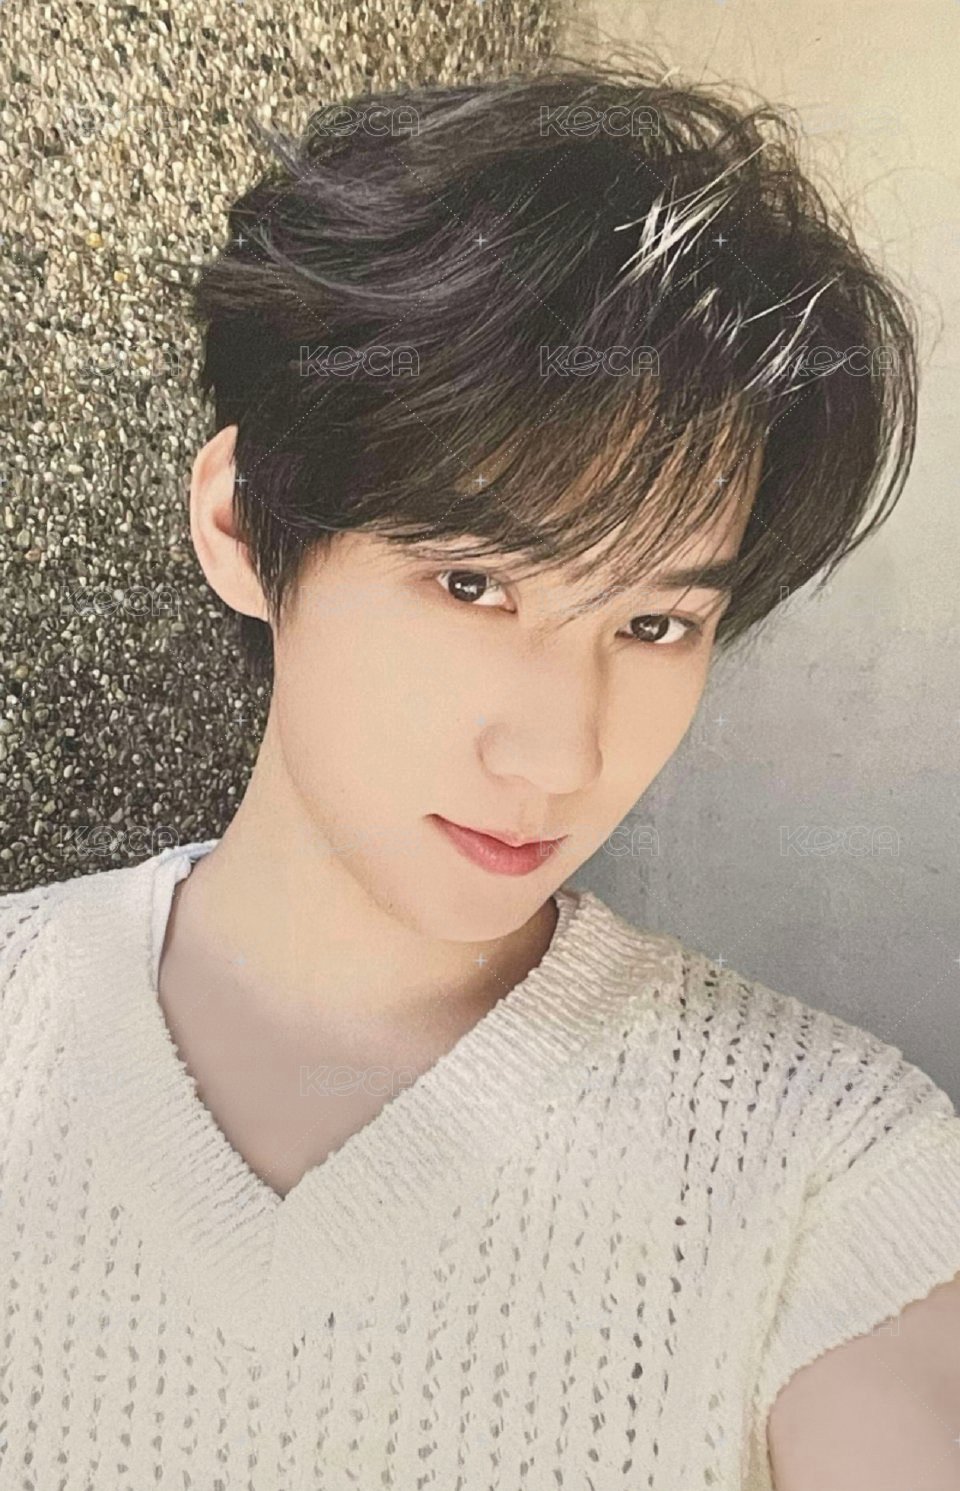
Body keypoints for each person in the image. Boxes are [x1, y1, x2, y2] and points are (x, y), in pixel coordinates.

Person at [2, 55, 959, 1491]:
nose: (561, 750)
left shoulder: (831, 1167)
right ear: (242, 527)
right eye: (472, 585)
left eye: (655, 624)